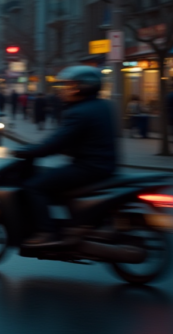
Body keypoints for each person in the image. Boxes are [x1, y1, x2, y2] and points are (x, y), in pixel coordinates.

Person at [11, 66, 117, 248]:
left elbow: (57, 142)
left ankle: (47, 232)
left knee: (34, 186)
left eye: (70, 86)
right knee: (51, 178)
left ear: (83, 88)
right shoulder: (102, 105)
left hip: (89, 167)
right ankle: (71, 224)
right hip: (102, 164)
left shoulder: (80, 112)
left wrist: (31, 151)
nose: (64, 90)